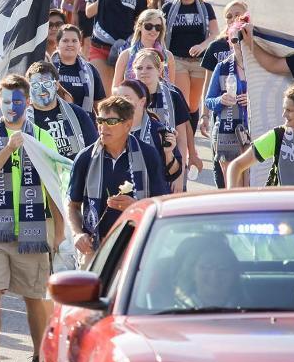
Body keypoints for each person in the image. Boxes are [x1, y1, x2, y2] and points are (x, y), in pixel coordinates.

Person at [0, 75, 62, 362]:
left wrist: (59, 232)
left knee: (34, 297)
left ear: (28, 102)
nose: (12, 107)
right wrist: (8, 149)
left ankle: (39, 357)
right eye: (6, 101)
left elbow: (53, 189)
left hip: (35, 230)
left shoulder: (42, 137)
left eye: (18, 101)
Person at [68, 97, 170, 254]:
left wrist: (135, 207)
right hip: (95, 248)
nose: (103, 127)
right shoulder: (85, 158)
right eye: (100, 120)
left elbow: (161, 205)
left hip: (136, 247)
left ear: (128, 124)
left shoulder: (148, 155)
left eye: (111, 121)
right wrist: (78, 234)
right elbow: (72, 205)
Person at [130, 49, 196, 188]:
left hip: (168, 161)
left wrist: (179, 174)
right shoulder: (128, 97)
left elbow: (182, 138)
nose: (143, 71)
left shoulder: (173, 95)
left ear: (160, 70)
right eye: (139, 68)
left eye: (149, 67)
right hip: (135, 162)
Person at [162, 0, 217, 132]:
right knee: (183, 104)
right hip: (178, 60)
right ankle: (185, 148)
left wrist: (202, 45)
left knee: (193, 106)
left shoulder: (206, 8)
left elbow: (215, 33)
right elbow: (159, 33)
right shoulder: (168, 8)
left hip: (200, 62)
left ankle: (190, 140)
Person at [205, 17, 251, 187]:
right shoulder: (222, 67)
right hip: (227, 133)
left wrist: (252, 101)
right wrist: (220, 100)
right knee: (234, 188)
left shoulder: (261, 67)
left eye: (241, 39)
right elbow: (209, 101)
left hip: (255, 132)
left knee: (252, 186)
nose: (238, 43)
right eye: (234, 40)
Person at [25, 62, 97, 161]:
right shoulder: (23, 120)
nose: (42, 89)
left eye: (47, 83)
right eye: (35, 85)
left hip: (75, 173)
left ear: (56, 85)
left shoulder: (77, 113)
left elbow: (94, 150)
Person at [51, 25, 106, 113]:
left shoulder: (91, 71)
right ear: (57, 44)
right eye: (65, 41)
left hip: (83, 122)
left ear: (80, 44)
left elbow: (99, 104)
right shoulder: (48, 69)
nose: (70, 44)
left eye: (74, 41)